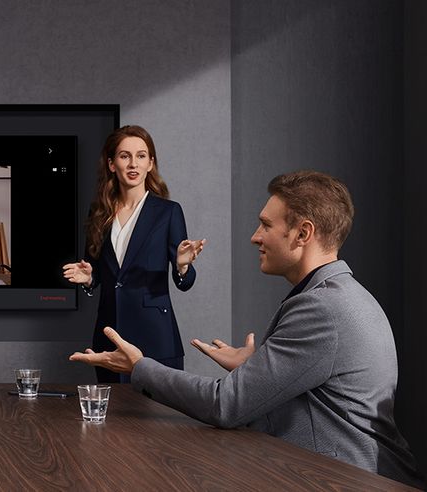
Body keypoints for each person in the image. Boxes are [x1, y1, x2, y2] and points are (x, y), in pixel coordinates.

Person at [70, 171, 423, 488]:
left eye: (266, 225)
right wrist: (254, 368)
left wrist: (139, 367)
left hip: (346, 480)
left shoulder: (322, 308)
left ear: (303, 233)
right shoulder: (341, 295)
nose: (255, 237)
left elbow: (225, 404)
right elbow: (323, 393)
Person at [61, 125, 205, 383]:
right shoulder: (99, 212)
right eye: (124, 156)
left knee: (160, 421)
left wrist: (182, 266)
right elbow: (96, 273)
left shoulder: (168, 212)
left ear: (151, 163)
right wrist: (89, 279)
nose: (133, 163)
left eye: (141, 156)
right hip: (109, 334)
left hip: (155, 337)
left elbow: (185, 282)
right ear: (112, 164)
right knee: (113, 418)